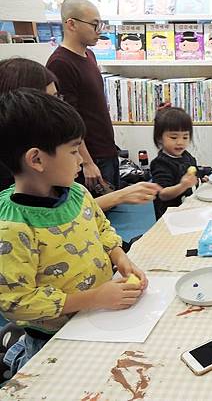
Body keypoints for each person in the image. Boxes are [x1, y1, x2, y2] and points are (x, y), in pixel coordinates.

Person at [0, 89, 147, 375]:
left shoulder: (78, 193)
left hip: (100, 314)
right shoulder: (12, 227)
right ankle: (16, 352)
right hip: (55, 339)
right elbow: (17, 302)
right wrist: (94, 298)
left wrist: (119, 257)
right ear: (37, 160)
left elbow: (101, 228)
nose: (81, 159)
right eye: (73, 150)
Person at [0, 58, 161, 211]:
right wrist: (118, 196)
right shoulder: (15, 191)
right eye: (49, 100)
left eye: (58, 98)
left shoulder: (70, 184)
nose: (58, 107)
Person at [46, 0, 120, 194]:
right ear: (71, 24)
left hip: (106, 149)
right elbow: (67, 120)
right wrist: (86, 162)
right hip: (91, 157)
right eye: (95, 24)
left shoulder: (89, 55)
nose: (100, 30)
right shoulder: (60, 63)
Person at [150, 106, 199, 220]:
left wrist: (203, 176)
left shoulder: (186, 156)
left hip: (189, 211)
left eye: (185, 137)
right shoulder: (160, 163)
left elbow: (195, 172)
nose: (180, 142)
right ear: (159, 138)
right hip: (170, 218)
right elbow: (163, 194)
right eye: (173, 137)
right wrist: (183, 186)